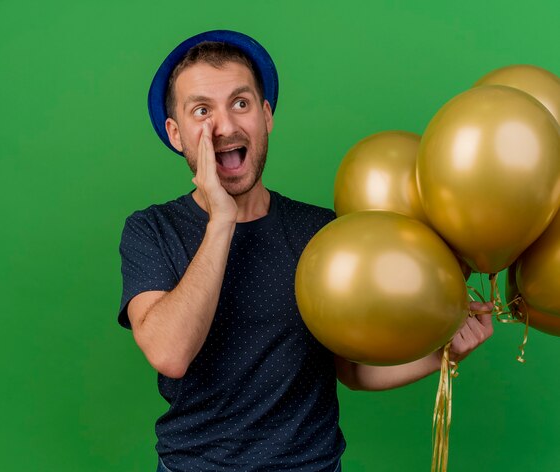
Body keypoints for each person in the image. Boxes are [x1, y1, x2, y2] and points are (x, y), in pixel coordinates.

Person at [117, 30, 493, 472]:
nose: (226, 126)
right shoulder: (151, 230)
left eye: (241, 103)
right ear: (176, 134)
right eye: (203, 110)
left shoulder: (321, 232)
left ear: (266, 115)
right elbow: (170, 353)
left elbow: (352, 370)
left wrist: (441, 354)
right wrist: (222, 219)